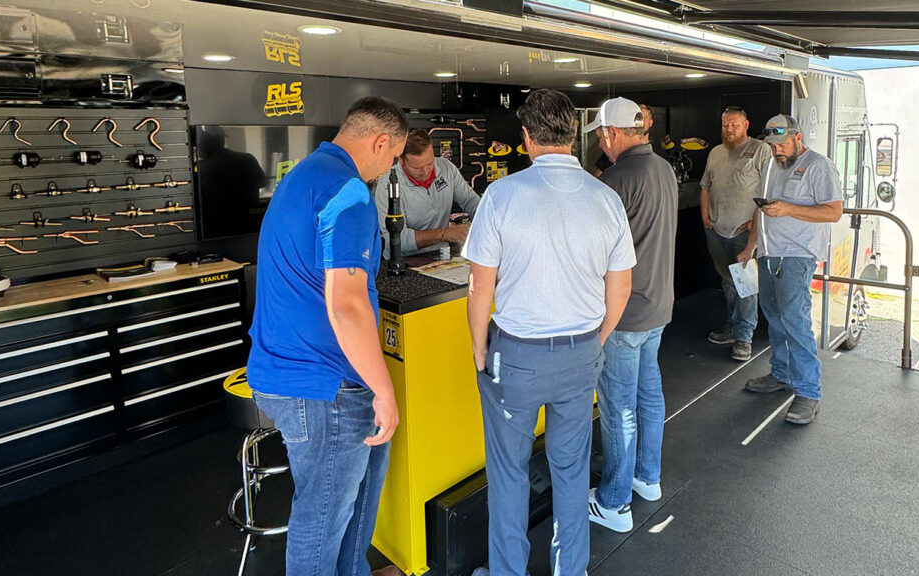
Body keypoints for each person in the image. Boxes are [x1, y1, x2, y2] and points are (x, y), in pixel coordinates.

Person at [463, 89, 635, 576]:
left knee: (509, 474)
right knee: (571, 470)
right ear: (574, 135)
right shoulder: (606, 199)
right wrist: (595, 342)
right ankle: (570, 569)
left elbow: (480, 287)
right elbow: (621, 288)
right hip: (580, 354)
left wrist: (479, 349)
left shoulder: (502, 195)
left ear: (526, 137)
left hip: (515, 357)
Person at [246, 96, 406, 576]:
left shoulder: (303, 175)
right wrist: (383, 390)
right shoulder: (348, 192)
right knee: (322, 516)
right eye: (394, 157)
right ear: (380, 142)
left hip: (296, 370)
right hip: (324, 383)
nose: (389, 168)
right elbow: (347, 305)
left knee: (351, 500)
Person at [580, 97, 679, 533]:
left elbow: (591, 250)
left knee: (619, 407)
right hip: (658, 305)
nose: (601, 143)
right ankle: (647, 477)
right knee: (648, 395)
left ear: (613, 133)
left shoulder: (617, 181)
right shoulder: (664, 169)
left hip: (623, 312)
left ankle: (615, 502)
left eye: (601, 136)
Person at [739, 114, 843, 425]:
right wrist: (751, 247)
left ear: (798, 138)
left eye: (782, 144)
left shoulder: (819, 166)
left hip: (797, 256)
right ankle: (781, 373)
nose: (777, 150)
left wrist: (788, 209)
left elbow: (834, 212)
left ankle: (809, 392)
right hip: (769, 254)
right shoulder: (772, 165)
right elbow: (761, 211)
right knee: (775, 318)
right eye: (772, 146)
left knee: (796, 322)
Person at [699, 106, 773, 362]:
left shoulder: (761, 150)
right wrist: (705, 217)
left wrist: (756, 222)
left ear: (746, 125)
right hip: (717, 230)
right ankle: (732, 327)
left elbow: (768, 192)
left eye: (734, 125)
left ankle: (744, 338)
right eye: (725, 125)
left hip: (744, 232)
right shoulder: (716, 153)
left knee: (746, 284)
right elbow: (706, 186)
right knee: (729, 282)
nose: (729, 129)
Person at [375, 128, 480, 259]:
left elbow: (470, 201)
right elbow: (397, 240)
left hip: (441, 255)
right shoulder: (389, 185)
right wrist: (444, 234)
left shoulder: (446, 168)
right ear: (401, 161)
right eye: (417, 168)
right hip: (404, 261)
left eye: (430, 163)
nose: (426, 172)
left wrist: (488, 221)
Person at [591, 103, 655, 177]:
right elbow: (599, 174)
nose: (641, 122)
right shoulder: (614, 150)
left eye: (644, 118)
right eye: (637, 118)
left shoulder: (658, 154)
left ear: (651, 122)